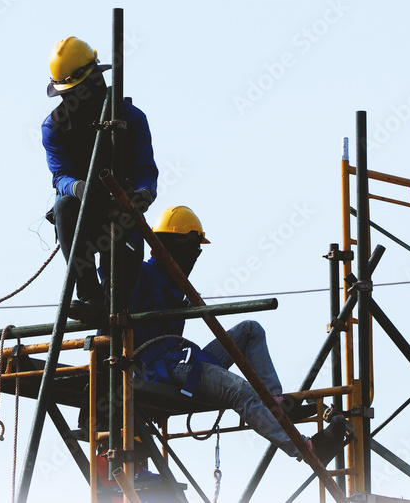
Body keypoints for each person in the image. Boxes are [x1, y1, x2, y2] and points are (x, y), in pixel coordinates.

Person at [131, 205, 349, 464]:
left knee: (250, 330)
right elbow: (114, 279)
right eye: (191, 248)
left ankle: (273, 402)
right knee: (240, 391)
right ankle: (308, 448)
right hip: (159, 367)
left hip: (180, 359)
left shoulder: (177, 283)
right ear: (168, 246)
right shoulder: (141, 274)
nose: (195, 255)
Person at [41, 36, 158, 320]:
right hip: (84, 217)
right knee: (64, 208)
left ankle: (113, 305)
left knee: (118, 309)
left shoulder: (131, 118)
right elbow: (60, 176)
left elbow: (146, 171)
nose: (74, 100)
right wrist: (80, 189)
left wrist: (143, 194)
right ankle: (90, 296)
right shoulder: (54, 127)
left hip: (124, 215)